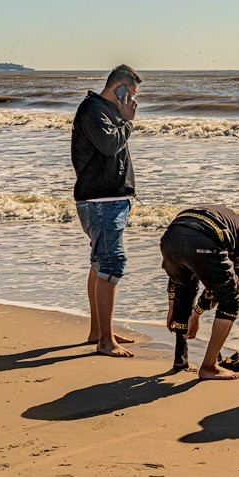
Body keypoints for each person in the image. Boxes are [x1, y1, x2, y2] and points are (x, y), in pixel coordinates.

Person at [71, 64, 141, 357]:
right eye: (131, 93)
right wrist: (127, 121)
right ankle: (105, 341)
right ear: (119, 88)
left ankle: (99, 331)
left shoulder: (105, 112)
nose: (133, 100)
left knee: (100, 263)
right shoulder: (94, 110)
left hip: (108, 200)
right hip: (101, 201)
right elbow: (110, 145)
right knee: (112, 264)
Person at [160, 205, 239, 381]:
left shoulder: (233, 223)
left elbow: (177, 279)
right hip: (204, 239)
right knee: (231, 300)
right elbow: (222, 290)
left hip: (171, 236)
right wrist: (196, 315)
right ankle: (209, 366)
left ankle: (180, 359)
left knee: (185, 287)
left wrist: (172, 304)